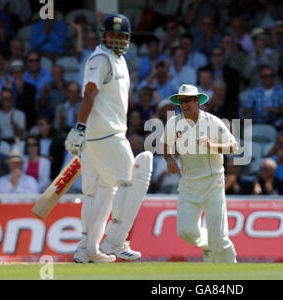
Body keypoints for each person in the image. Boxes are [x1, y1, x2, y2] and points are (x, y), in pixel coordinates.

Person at [65, 14, 153, 263]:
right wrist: (80, 128)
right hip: (106, 134)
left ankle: (87, 248)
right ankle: (115, 241)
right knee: (135, 176)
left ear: (127, 39)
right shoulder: (101, 58)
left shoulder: (119, 59)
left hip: (105, 134)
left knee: (99, 190)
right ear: (104, 36)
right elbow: (89, 93)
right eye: (112, 35)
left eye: (121, 36)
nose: (116, 40)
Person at [161, 84, 238, 263]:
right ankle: (209, 245)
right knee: (185, 231)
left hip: (213, 182)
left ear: (198, 101)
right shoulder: (174, 123)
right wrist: (169, 159)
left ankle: (232, 269)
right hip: (188, 183)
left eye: (188, 100)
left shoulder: (213, 121)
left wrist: (212, 145)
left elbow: (233, 147)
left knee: (219, 236)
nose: (184, 104)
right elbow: (165, 144)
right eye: (181, 101)